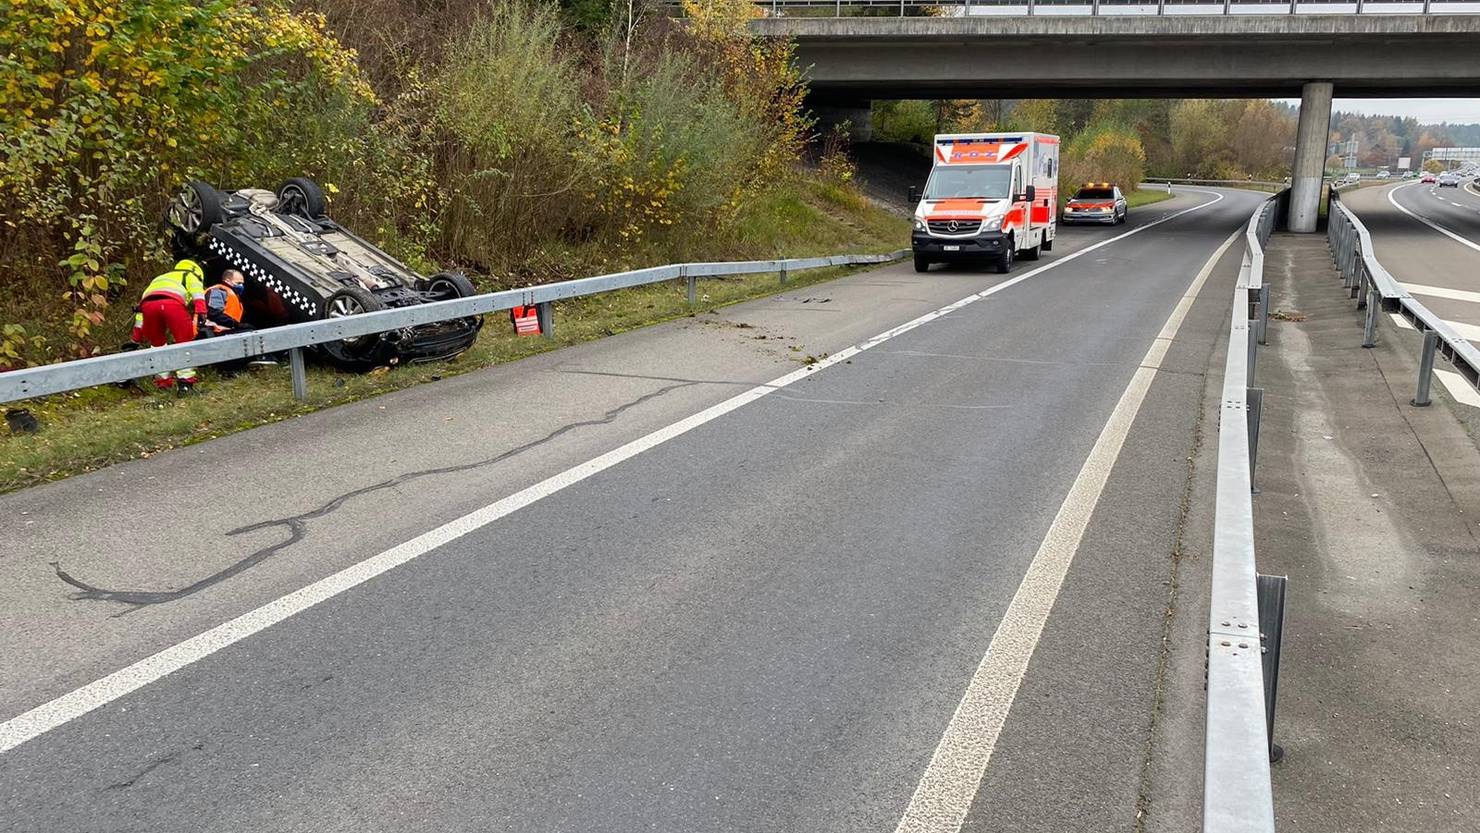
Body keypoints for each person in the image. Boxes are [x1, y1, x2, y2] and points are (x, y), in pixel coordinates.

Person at [131, 259, 207, 391]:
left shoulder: (158, 279)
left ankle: (163, 382)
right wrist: (201, 311)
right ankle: (185, 383)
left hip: (148, 306)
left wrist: (135, 338)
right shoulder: (189, 275)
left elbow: (140, 311)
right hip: (172, 304)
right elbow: (197, 293)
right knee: (185, 342)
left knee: (157, 344)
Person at [203, 269, 250, 336]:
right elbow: (214, 313)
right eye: (238, 283)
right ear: (227, 281)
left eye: (242, 283)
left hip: (226, 330)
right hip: (215, 331)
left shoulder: (235, 296)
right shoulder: (219, 290)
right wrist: (236, 324)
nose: (241, 286)